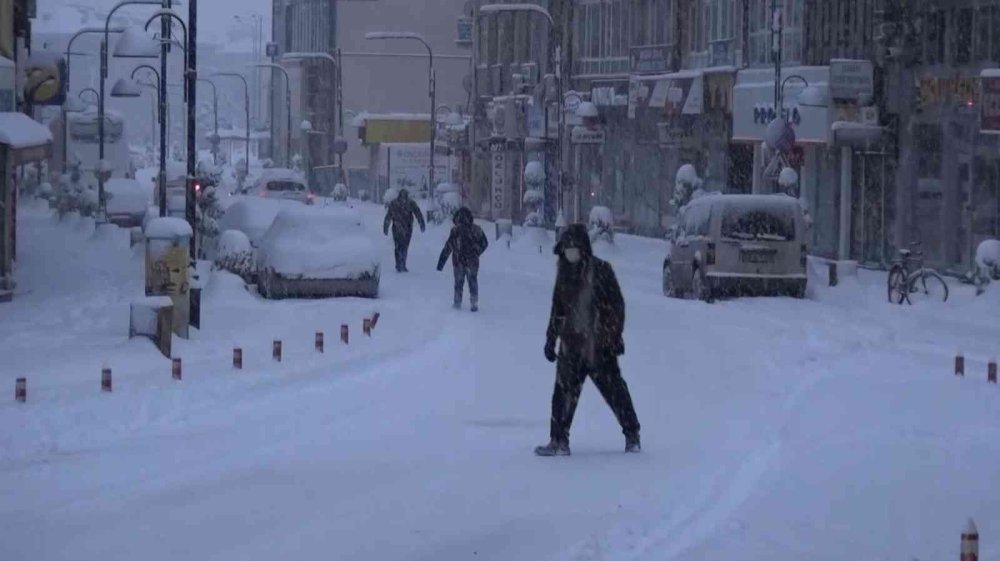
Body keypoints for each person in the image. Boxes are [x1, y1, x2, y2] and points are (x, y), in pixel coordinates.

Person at [536, 223, 641, 457]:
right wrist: (551, 338)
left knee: (614, 391)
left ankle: (632, 435)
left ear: (583, 249)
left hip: (599, 347)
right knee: (563, 394)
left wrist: (609, 335)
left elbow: (617, 307)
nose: (570, 253)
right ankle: (558, 439)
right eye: (566, 249)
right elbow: (558, 309)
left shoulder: (602, 271)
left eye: (574, 248)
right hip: (571, 345)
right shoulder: (564, 274)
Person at [437, 207, 488, 311]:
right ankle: (474, 303)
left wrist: (441, 263)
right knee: (472, 281)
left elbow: (448, 246)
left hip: (458, 261)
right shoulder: (476, 229)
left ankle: (457, 303)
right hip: (472, 261)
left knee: (458, 283)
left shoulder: (455, 231)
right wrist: (476, 252)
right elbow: (485, 243)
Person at [383, 188, 426, 272]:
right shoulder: (404, 203)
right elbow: (389, 216)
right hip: (401, 228)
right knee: (401, 247)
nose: (403, 199)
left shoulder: (402, 203)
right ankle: (400, 264)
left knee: (401, 247)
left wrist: (421, 223)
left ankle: (401, 264)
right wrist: (386, 227)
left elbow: (418, 213)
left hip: (403, 228)